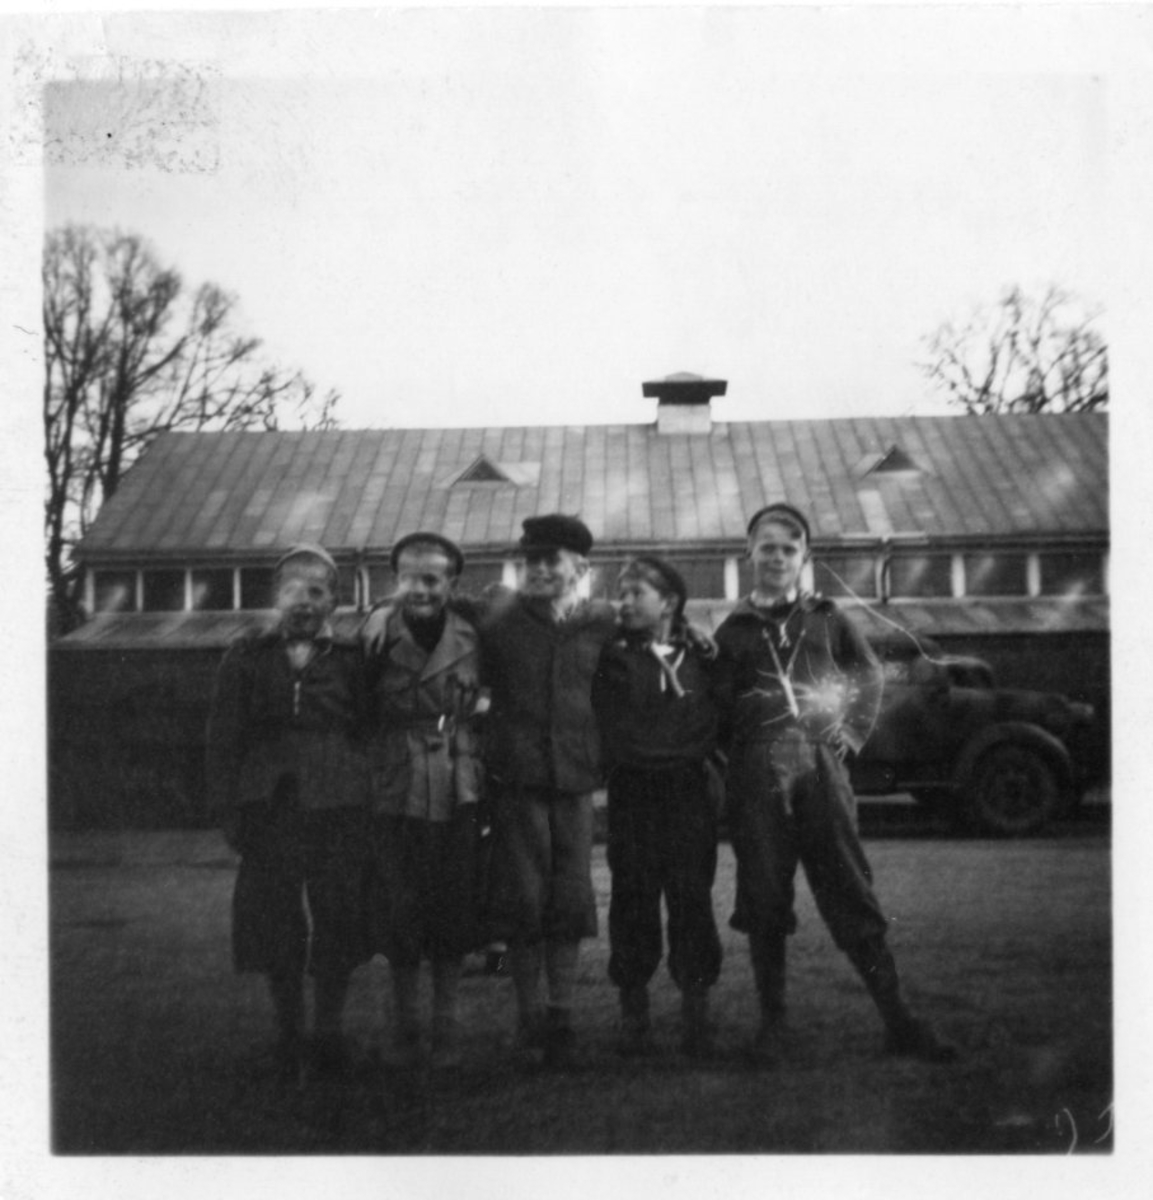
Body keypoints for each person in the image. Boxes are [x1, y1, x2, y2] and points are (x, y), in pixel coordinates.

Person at [713, 502, 957, 1065]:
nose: (777, 557)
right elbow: (717, 708)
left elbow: (867, 673)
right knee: (764, 893)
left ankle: (899, 1019)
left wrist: (852, 730)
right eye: (767, 547)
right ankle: (773, 1026)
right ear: (749, 554)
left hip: (821, 769)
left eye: (789, 548)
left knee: (848, 886)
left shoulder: (827, 618)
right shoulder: (731, 631)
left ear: (805, 557)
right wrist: (742, 757)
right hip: (757, 777)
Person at [206, 543, 372, 1086]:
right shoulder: (246, 656)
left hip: (339, 807)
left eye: (316, 591)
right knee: (274, 920)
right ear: (276, 598)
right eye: (292, 590)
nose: (303, 601)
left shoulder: (353, 658)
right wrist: (229, 809)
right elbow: (223, 737)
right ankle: (289, 1033)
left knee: (338, 915)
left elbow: (369, 731)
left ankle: (328, 1033)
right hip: (269, 808)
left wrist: (364, 796)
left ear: (334, 602)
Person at [479, 514, 618, 1068]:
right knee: (523, 900)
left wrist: (689, 632)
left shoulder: (602, 621)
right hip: (517, 781)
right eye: (530, 560)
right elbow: (433, 612)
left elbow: (656, 632)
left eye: (549, 560)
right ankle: (528, 1018)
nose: (537, 569)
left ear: (580, 568)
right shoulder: (500, 614)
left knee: (571, 900)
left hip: (575, 780)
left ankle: (561, 1017)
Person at [591, 556, 723, 1057]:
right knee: (632, 899)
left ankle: (696, 1015)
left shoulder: (703, 656)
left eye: (635, 594)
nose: (623, 603)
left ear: (668, 602)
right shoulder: (609, 656)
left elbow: (720, 715)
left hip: (687, 792)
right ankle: (634, 1016)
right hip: (633, 791)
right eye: (620, 593)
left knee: (692, 898)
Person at [364, 532, 486, 1070]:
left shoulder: (475, 632)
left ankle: (448, 1026)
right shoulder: (373, 634)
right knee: (400, 908)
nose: (420, 589)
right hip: (397, 786)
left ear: (451, 584)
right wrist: (377, 612)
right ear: (395, 581)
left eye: (432, 579)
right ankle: (405, 1027)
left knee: (453, 908)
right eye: (408, 577)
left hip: (458, 782)